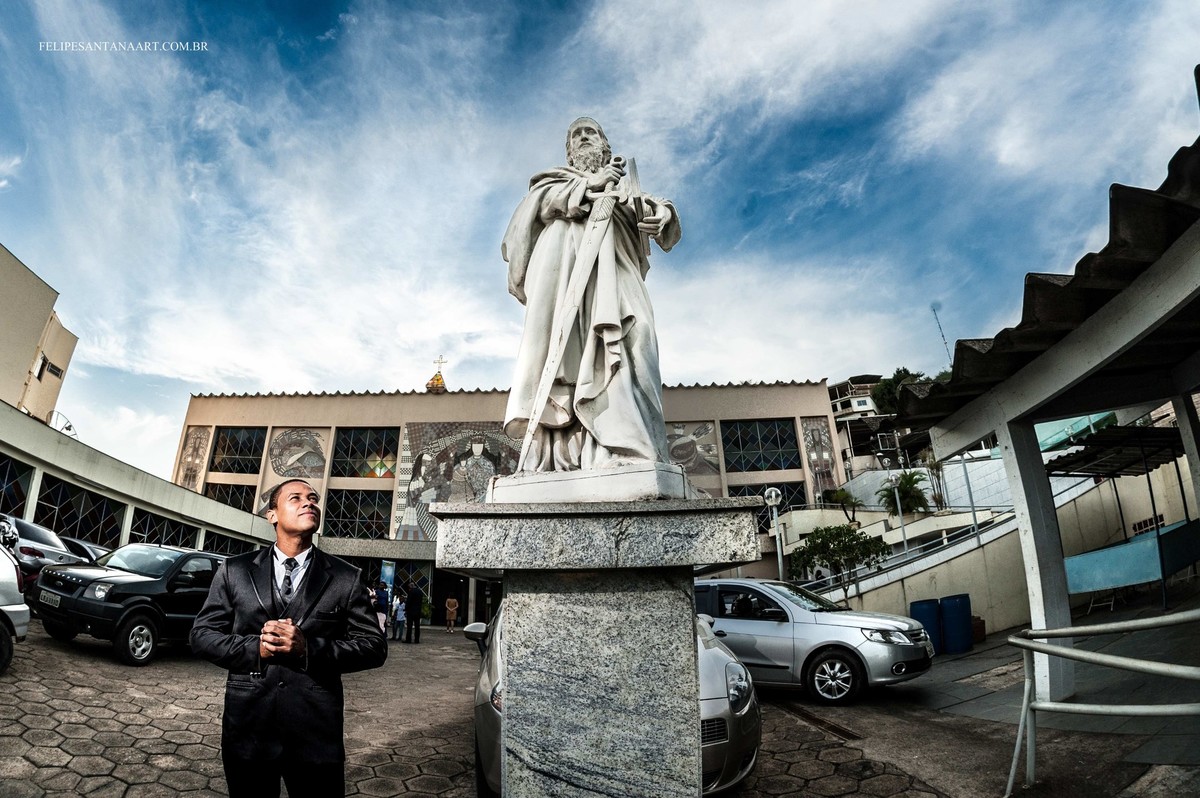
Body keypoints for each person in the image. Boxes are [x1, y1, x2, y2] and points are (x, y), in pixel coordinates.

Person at [502, 117, 681, 472]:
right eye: (576, 134)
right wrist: (587, 188)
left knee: (639, 336)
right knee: (564, 354)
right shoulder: (553, 182)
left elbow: (658, 210)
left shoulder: (625, 188)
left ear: (605, 145)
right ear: (569, 150)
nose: (583, 137)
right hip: (564, 278)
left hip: (615, 272)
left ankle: (633, 445)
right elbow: (527, 218)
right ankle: (571, 454)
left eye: (591, 132)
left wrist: (662, 215)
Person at [190, 478, 387, 797]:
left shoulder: (346, 578)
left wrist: (308, 649)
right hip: (248, 727)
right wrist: (257, 648)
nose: (309, 503)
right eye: (295, 498)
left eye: (313, 498)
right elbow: (202, 635)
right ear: (272, 515)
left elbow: (374, 648)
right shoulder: (234, 570)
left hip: (316, 733)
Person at [404, 580, 424, 644]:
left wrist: (406, 608)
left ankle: (408, 639)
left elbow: (409, 602)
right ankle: (416, 640)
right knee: (417, 626)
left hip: (411, 611)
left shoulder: (411, 592)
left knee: (409, 626)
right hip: (418, 611)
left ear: (411, 586)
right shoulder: (420, 592)